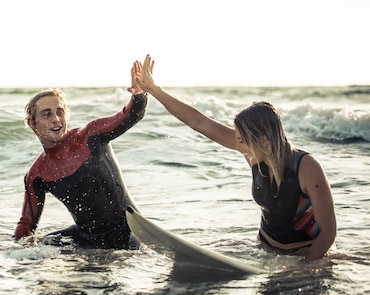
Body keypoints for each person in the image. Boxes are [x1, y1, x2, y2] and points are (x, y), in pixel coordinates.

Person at [136, 54, 337, 260]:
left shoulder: (307, 168)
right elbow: (198, 122)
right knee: (215, 248)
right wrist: (154, 90)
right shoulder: (253, 153)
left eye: (242, 140)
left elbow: (328, 232)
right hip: (265, 249)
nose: (237, 145)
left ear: (265, 141)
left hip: (302, 255)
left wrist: (304, 268)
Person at [13, 62, 148, 249]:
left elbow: (130, 115)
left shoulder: (90, 136)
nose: (56, 119)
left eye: (60, 112)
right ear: (32, 123)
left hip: (129, 230)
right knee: (35, 245)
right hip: (87, 238)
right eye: (47, 114)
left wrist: (139, 94)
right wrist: (15, 250)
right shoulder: (37, 174)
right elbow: (27, 224)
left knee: (138, 254)